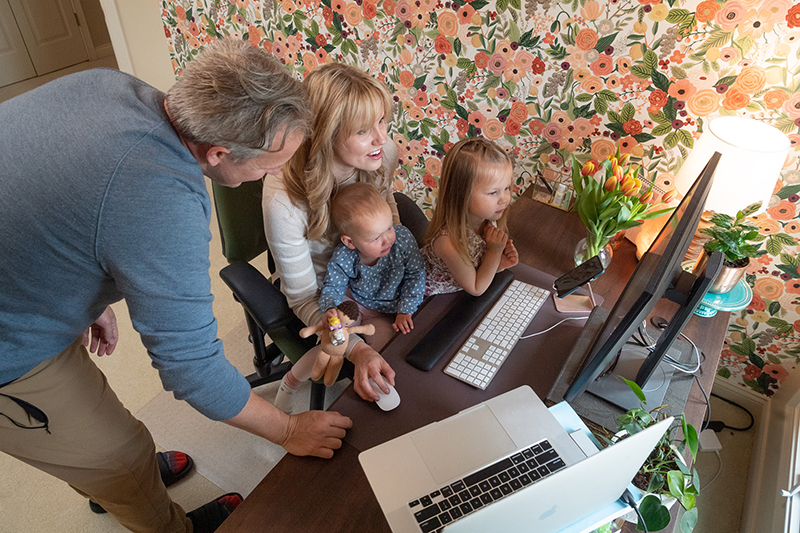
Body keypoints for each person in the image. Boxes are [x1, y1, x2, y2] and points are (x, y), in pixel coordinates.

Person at [0, 39, 353, 533]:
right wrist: (289, 428)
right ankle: (143, 499)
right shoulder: (160, 199)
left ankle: (118, 481)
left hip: (18, 282)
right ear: (219, 153)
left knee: (101, 443)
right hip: (10, 348)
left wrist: (81, 290)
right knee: (117, 453)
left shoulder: (106, 84)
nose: (276, 173)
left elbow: (55, 191)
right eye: (270, 164)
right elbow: (191, 368)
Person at [262, 62, 403, 403]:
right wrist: (355, 348)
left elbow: (389, 210)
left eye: (382, 121)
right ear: (325, 133)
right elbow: (303, 297)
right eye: (363, 131)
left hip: (371, 271)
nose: (381, 138)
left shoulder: (382, 155)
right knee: (394, 364)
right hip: (326, 292)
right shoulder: (283, 201)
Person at [274, 183, 426, 413]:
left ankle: (376, 391)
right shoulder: (345, 255)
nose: (387, 240)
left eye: (388, 228)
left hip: (384, 312)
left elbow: (416, 274)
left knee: (386, 351)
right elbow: (333, 286)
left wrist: (406, 308)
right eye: (376, 238)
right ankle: (291, 382)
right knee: (335, 343)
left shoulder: (402, 239)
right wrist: (331, 309)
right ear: (350, 242)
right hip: (354, 303)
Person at [422, 137, 520, 296]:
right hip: (426, 301)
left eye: (507, 188)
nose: (504, 199)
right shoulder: (447, 242)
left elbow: (477, 267)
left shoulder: (486, 220)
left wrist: (499, 264)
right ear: (462, 195)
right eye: (493, 192)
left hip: (457, 293)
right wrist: (494, 252)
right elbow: (476, 288)